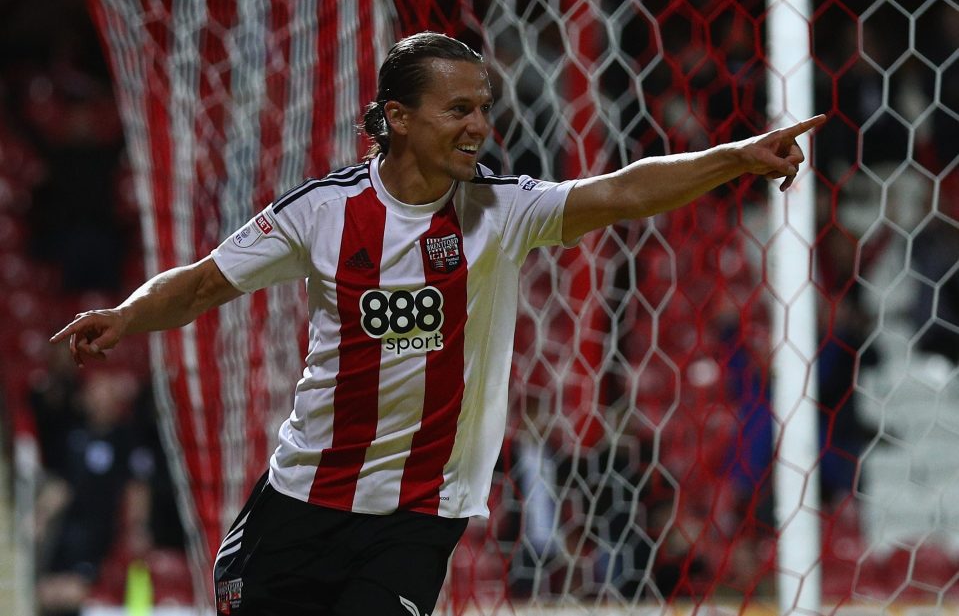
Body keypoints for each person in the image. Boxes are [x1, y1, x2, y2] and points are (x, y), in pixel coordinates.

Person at [50, 31, 825, 616]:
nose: (478, 125)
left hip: (419, 512)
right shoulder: (323, 212)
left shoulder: (503, 209)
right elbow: (200, 285)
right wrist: (125, 315)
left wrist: (732, 157)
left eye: (485, 108)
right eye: (458, 109)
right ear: (397, 116)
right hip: (304, 494)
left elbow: (622, 191)